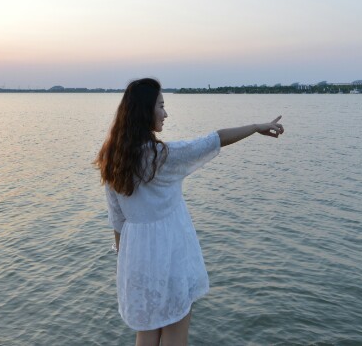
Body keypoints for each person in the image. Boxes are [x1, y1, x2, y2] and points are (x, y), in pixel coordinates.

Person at [95, 78, 284, 346]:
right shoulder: (162, 157)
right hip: (169, 253)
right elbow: (213, 140)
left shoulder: (112, 159)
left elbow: (117, 221)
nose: (166, 113)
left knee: (147, 331)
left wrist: (126, 264)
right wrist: (255, 127)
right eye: (161, 105)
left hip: (135, 256)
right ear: (145, 111)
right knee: (175, 329)